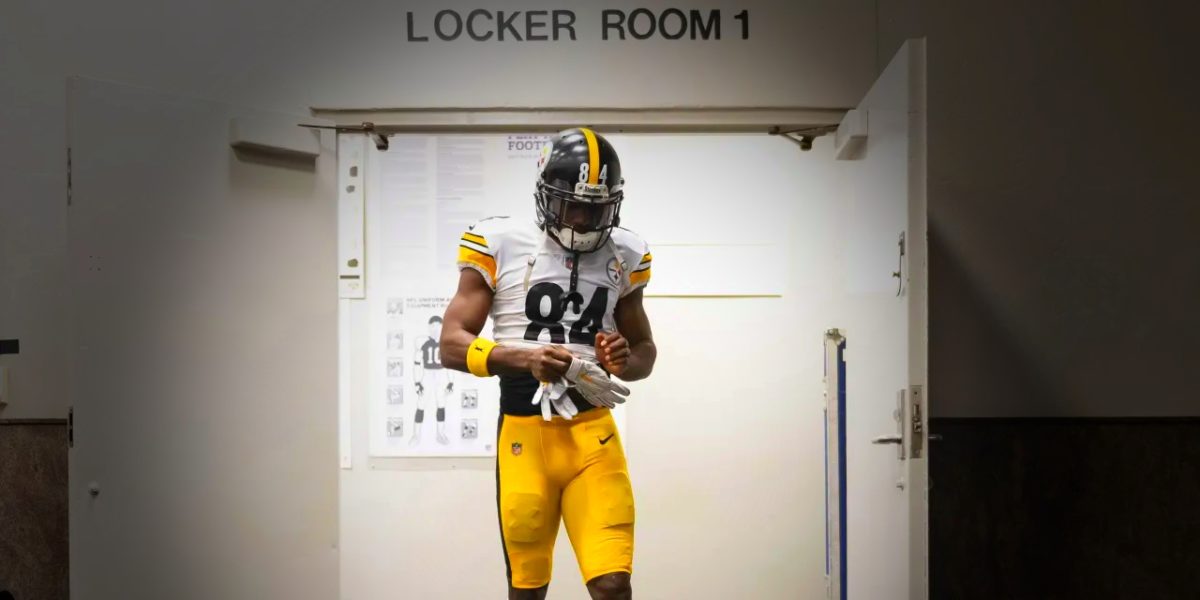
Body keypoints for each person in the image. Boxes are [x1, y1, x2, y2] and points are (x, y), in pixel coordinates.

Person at [441, 128, 656, 600]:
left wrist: (624, 359)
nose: (582, 219)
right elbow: (451, 345)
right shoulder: (500, 242)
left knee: (613, 585)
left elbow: (645, 353)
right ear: (545, 197)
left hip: (593, 430)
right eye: (571, 205)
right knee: (528, 589)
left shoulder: (625, 252)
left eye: (596, 209)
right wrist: (524, 356)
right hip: (524, 434)